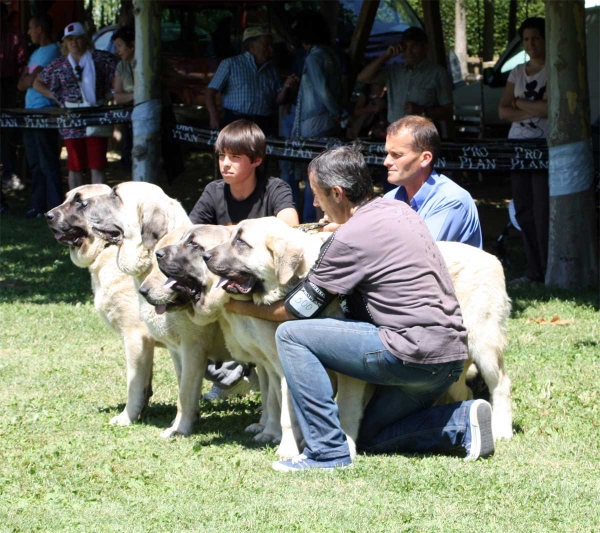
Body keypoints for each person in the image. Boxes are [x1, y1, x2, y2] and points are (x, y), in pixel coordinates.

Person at [225, 146, 495, 472]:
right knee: (369, 435)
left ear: (337, 193)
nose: (314, 204)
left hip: (407, 353)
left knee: (293, 336)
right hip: (449, 359)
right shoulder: (401, 211)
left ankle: (326, 452)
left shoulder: (350, 238)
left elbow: (297, 310)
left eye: (317, 195)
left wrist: (241, 307)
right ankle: (461, 421)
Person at [189, 119, 299, 400]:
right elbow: (190, 234)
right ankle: (231, 376)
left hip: (266, 288)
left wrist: (229, 233)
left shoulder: (275, 188)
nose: (225, 164)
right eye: (222, 156)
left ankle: (254, 377)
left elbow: (290, 225)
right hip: (227, 284)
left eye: (235, 157)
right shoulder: (213, 192)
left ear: (257, 160)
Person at [33, 22, 118, 189]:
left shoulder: (101, 59)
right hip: (71, 118)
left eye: (77, 39)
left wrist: (111, 94)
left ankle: (99, 206)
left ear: (85, 40)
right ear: (65, 42)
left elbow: (119, 76)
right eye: (69, 39)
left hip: (96, 116)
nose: (73, 43)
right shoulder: (58, 64)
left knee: (97, 164)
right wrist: (56, 96)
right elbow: (37, 82)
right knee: (75, 165)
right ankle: (74, 208)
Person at [498, 17, 548, 285]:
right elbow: (502, 111)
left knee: (543, 210)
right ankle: (532, 270)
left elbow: (549, 109)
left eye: (536, 38)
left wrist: (518, 102)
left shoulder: (554, 69)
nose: (531, 44)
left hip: (543, 149)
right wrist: (529, 104)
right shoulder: (517, 71)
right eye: (526, 39)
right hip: (517, 148)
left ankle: (547, 266)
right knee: (523, 210)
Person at [382, 116, 482, 248]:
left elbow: (420, 255)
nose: (386, 162)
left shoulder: (452, 201)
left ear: (425, 158)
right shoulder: (390, 198)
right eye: (387, 153)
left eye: (397, 155)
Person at [291, 10, 345, 222]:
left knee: (314, 177)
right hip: (329, 122)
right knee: (326, 175)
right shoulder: (330, 54)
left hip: (314, 124)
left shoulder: (314, 57)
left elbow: (323, 91)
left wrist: (338, 113)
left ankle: (310, 221)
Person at [205, 27, 298, 136]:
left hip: (263, 123)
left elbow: (277, 101)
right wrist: (214, 116)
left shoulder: (272, 69)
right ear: (251, 47)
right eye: (266, 45)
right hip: (236, 121)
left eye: (271, 45)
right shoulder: (230, 64)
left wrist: (286, 87)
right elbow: (209, 92)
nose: (271, 50)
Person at [358, 27, 453, 131]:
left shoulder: (438, 73)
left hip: (422, 133)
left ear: (426, 47)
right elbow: (363, 78)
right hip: (395, 133)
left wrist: (422, 111)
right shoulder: (393, 70)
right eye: (405, 47)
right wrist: (386, 56)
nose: (409, 51)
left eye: (414, 46)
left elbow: (448, 111)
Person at [17, 14, 62, 219]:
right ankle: (37, 205)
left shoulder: (53, 51)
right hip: (29, 110)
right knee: (35, 162)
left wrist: (29, 78)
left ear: (40, 29)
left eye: (31, 28)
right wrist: (29, 78)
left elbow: (32, 79)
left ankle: (54, 208)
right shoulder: (36, 53)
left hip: (45, 111)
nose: (28, 32)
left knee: (47, 161)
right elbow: (22, 83)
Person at [0, 3, 27, 195]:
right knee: (7, 132)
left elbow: (22, 64)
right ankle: (9, 174)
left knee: (8, 132)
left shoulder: (15, 35)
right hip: (9, 85)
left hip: (8, 86)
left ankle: (10, 174)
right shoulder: (15, 34)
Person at [111, 26, 135, 169]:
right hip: (130, 119)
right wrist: (136, 95)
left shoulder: (149, 62)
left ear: (132, 45)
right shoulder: (121, 66)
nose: (117, 51)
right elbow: (118, 96)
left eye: (120, 46)